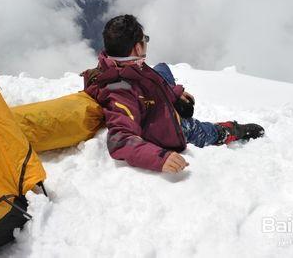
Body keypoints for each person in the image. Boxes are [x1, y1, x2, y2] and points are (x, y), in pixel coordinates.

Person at [82, 15, 264, 173]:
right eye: (145, 39)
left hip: (151, 102)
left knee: (161, 68)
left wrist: (175, 94)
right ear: (137, 48)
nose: (146, 43)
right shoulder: (120, 92)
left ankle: (174, 100)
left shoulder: (125, 66)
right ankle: (228, 131)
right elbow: (120, 140)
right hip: (163, 127)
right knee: (197, 130)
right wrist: (159, 158)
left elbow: (150, 85)